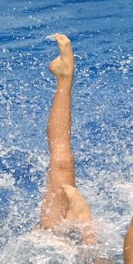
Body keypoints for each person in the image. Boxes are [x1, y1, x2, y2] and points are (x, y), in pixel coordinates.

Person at [37, 33, 97, 244]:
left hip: (45, 244)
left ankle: (88, 232)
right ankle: (64, 78)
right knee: (62, 162)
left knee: (62, 161)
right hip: (56, 246)